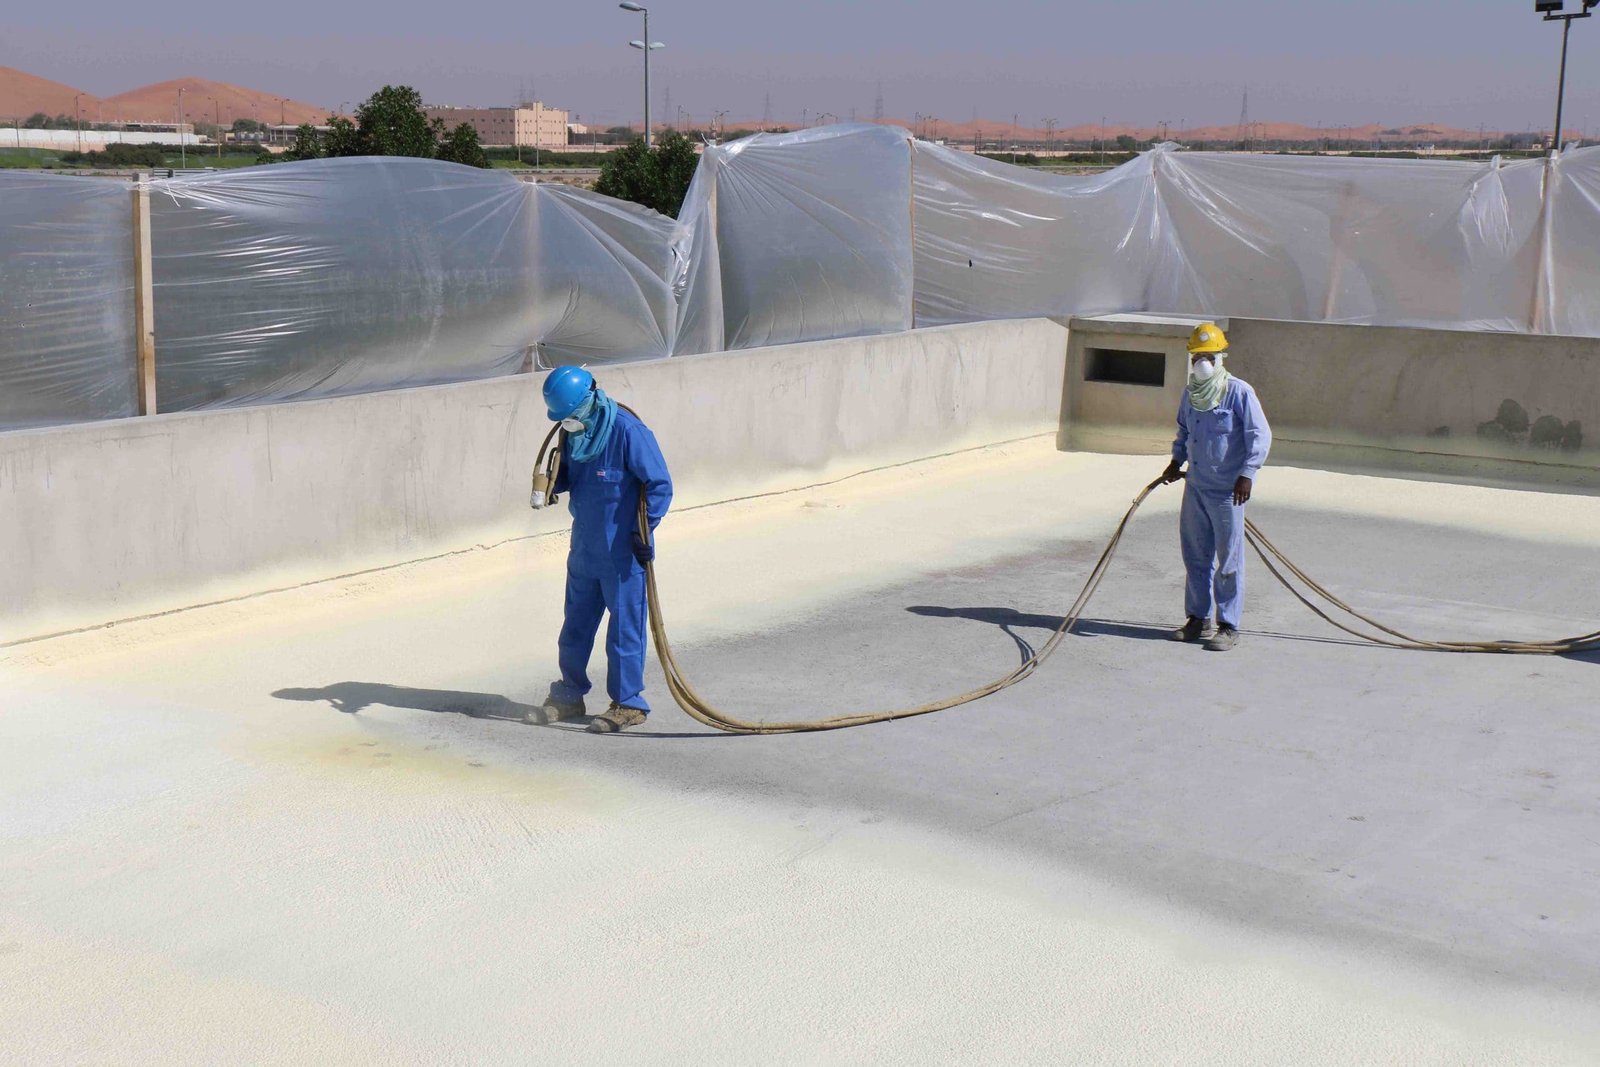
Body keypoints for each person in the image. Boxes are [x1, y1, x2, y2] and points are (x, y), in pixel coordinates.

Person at [532, 366, 673, 732]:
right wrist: (553, 483)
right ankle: (569, 694)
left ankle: (628, 703)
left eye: (571, 414)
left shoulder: (628, 431)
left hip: (622, 553)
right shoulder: (574, 435)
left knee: (624, 631)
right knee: (575, 626)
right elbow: (571, 475)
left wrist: (644, 530)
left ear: (589, 399)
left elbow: (660, 484)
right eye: (562, 418)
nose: (567, 423)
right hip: (584, 548)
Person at [1159, 323, 1272, 652]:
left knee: (1229, 560)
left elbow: (1259, 434)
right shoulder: (1191, 394)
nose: (1202, 362)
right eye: (1197, 356)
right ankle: (1198, 619)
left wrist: (1247, 473)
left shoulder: (1238, 392)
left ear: (1220, 357)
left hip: (1227, 492)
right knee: (1196, 556)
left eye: (1208, 356)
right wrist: (1176, 461)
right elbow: (1184, 431)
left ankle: (1228, 625)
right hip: (1196, 487)